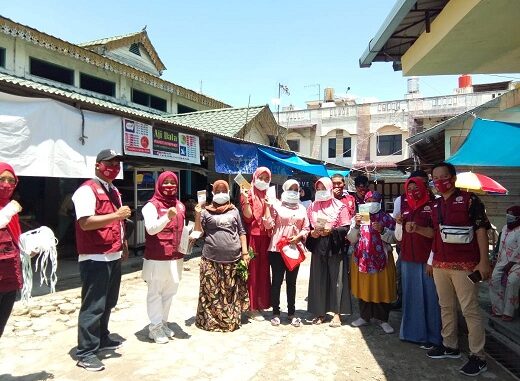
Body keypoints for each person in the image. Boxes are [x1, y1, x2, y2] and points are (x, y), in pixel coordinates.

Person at [427, 162, 491, 377]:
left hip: (466, 266)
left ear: (453, 178)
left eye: (443, 177)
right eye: (435, 178)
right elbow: (435, 234)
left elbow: (481, 230)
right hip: (440, 266)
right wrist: (430, 259)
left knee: (470, 310)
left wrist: (484, 262)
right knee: (445, 306)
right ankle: (450, 346)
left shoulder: (470, 201)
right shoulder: (435, 205)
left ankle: (478, 356)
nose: (438, 182)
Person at [72, 149, 131, 372]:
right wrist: (117, 216)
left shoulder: (113, 189)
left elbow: (119, 223)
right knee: (93, 305)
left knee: (109, 301)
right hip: (95, 256)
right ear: (98, 165)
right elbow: (86, 223)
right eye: (109, 163)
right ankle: (86, 352)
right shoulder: (86, 190)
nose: (114, 168)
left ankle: (102, 337)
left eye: (117, 165)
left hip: (112, 253)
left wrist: (123, 245)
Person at [194, 180, 249, 332]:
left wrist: (245, 253)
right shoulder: (206, 211)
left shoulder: (234, 210)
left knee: (229, 291)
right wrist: (198, 215)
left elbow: (242, 232)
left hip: (233, 258)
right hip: (211, 258)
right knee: (211, 292)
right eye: (217, 191)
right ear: (212, 193)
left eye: (223, 191)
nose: (220, 194)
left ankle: (228, 320)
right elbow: (199, 232)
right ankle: (211, 322)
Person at [394, 177, 441, 348]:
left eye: (416, 187)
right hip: (408, 258)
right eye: (409, 188)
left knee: (430, 298)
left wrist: (419, 229)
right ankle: (413, 334)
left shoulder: (433, 206)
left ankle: (433, 337)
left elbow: (436, 235)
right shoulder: (405, 209)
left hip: (427, 259)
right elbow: (399, 237)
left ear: (424, 187)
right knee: (411, 296)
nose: (413, 191)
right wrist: (399, 224)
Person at [141, 171, 185, 344]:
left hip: (176, 257)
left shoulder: (180, 205)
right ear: (159, 184)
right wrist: (167, 217)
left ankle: (163, 323)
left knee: (170, 292)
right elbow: (151, 229)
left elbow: (181, 229)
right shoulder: (151, 206)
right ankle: (155, 327)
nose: (169, 186)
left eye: (172, 182)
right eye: (165, 182)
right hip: (157, 257)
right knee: (155, 292)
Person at [348, 191, 397, 334]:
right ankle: (364, 316)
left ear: (379, 201)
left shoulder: (387, 218)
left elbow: (395, 238)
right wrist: (356, 226)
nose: (370, 202)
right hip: (362, 259)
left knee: (382, 288)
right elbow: (351, 239)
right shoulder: (359, 217)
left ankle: (383, 319)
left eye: (374, 200)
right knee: (364, 288)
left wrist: (382, 230)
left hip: (382, 259)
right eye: (367, 199)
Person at [264, 179, 310, 327]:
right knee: (277, 281)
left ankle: (291, 313)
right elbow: (268, 224)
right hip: (277, 249)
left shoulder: (302, 208)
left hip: (293, 249)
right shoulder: (276, 205)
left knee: (292, 282)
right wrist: (267, 207)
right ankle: (276, 313)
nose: (293, 191)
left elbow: (307, 228)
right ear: (284, 189)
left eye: (296, 189)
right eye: (290, 188)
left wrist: (299, 237)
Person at [306, 177, 352, 327]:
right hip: (318, 245)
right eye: (318, 189)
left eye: (324, 189)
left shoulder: (340, 206)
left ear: (330, 189)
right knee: (319, 279)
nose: (321, 192)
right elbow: (306, 227)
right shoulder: (312, 207)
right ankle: (320, 313)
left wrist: (331, 230)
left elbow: (345, 227)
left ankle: (337, 313)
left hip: (334, 246)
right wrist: (311, 233)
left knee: (337, 280)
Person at [392, 170, 431, 310]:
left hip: (428, 252)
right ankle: (402, 300)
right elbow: (397, 224)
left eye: (421, 183)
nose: (415, 188)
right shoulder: (401, 200)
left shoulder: (435, 201)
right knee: (403, 277)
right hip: (407, 249)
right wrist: (399, 222)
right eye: (411, 186)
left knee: (428, 286)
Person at [240, 167, 272, 321]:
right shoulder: (248, 192)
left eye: (267, 179)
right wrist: (245, 199)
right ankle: (251, 308)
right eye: (261, 177)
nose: (264, 181)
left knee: (264, 272)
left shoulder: (269, 194)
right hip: (252, 237)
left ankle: (261, 304)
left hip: (266, 237)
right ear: (255, 177)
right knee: (252, 272)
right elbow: (248, 217)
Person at [0, 162, 23, 338]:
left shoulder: (10, 208)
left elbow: (14, 239)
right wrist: (6, 213)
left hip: (9, 277)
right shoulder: (9, 210)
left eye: (11, 180)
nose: (6, 184)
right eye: (2, 179)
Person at [489, 206, 520, 321]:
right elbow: (500, 246)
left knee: (512, 282)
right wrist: (495, 259)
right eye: (508, 216)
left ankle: (508, 312)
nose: (509, 218)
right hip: (502, 261)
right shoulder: (505, 228)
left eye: (511, 216)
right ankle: (498, 309)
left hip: (517, 263)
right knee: (494, 280)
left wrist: (511, 264)